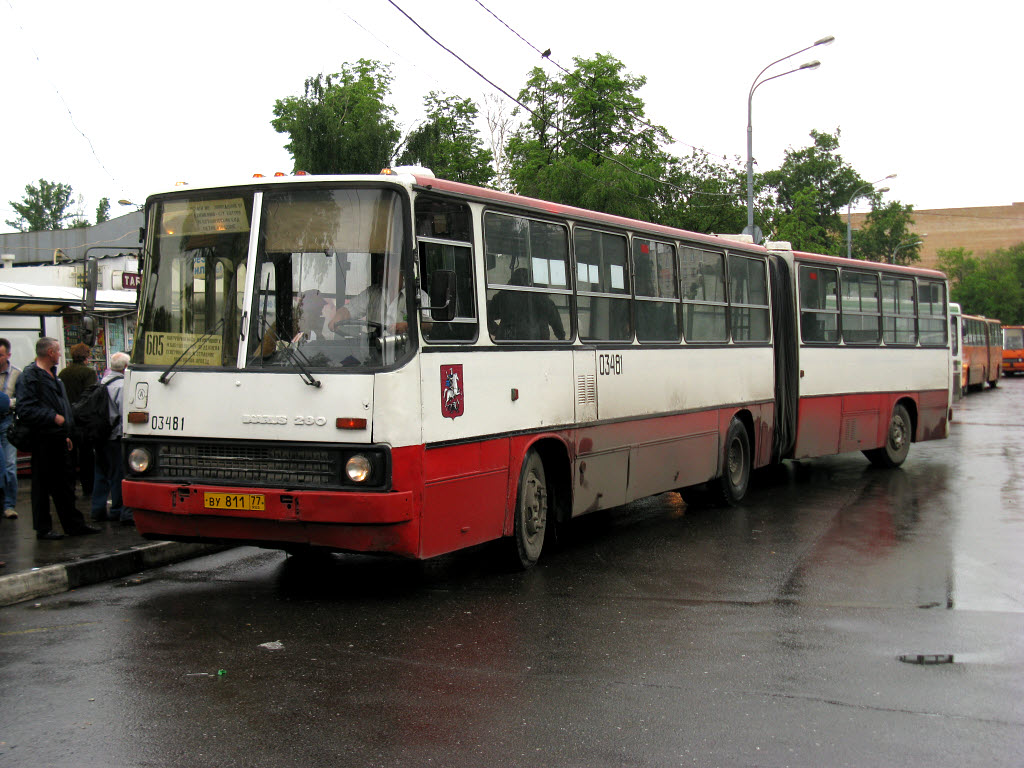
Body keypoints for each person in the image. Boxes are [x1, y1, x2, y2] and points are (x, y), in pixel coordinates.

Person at [14, 337, 100, 540]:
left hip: (59, 437)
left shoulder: (55, 376)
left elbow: (63, 406)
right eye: (58, 350)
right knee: (45, 485)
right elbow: (25, 409)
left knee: (64, 483)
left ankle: (73, 524)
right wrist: (54, 417)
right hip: (43, 438)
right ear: (50, 353)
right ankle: (45, 528)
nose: (61, 354)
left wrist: (67, 433)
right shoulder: (31, 377)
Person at [91, 352, 131, 525]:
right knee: (117, 473)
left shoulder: (102, 382)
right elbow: (124, 414)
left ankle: (97, 509)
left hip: (100, 435)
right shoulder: (122, 386)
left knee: (101, 473)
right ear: (125, 368)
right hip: (114, 436)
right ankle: (117, 509)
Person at [58, 342, 97, 498]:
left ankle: (70, 488)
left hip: (67, 418)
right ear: (86, 356)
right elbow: (90, 395)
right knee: (87, 456)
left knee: (70, 457)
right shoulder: (88, 373)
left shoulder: (63, 373)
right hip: (83, 420)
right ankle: (89, 488)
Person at [488, 268, 566, 341]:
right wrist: (562, 337)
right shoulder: (543, 299)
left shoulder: (503, 297)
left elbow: (487, 318)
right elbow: (557, 325)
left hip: (508, 343)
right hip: (539, 343)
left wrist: (500, 332)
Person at [0, 338, 21, 519]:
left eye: (0, 355)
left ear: (8, 355)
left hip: (7, 421)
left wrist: (7, 403)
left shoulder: (16, 374)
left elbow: (22, 400)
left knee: (9, 464)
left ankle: (9, 505)